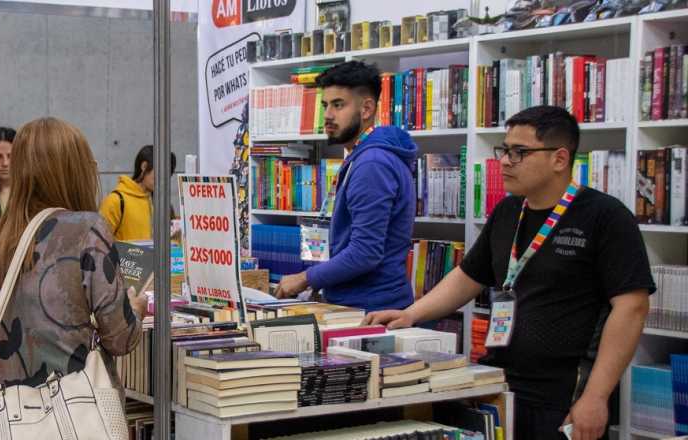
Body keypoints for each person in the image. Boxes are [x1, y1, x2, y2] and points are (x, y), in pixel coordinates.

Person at [365, 106, 653, 440]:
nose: (504, 161)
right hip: (499, 382)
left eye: (520, 152)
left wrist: (596, 396)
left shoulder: (605, 216)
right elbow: (469, 275)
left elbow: (632, 307)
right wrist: (411, 314)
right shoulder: (509, 210)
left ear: (560, 159)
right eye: (504, 150)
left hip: (564, 394)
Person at [0, 117, 148, 389]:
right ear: (74, 171)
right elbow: (120, 339)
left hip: (5, 406)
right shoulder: (86, 230)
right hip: (72, 404)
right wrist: (135, 310)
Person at [274, 60, 417, 312]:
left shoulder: (372, 163)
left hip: (370, 309)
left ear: (366, 109)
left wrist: (305, 278)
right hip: (361, 302)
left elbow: (365, 252)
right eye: (325, 105)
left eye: (338, 105)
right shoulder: (365, 155)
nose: (328, 115)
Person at [99, 144, 176, 241]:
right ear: (144, 166)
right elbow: (98, 243)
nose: (163, 180)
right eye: (160, 173)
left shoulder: (162, 205)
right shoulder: (115, 201)